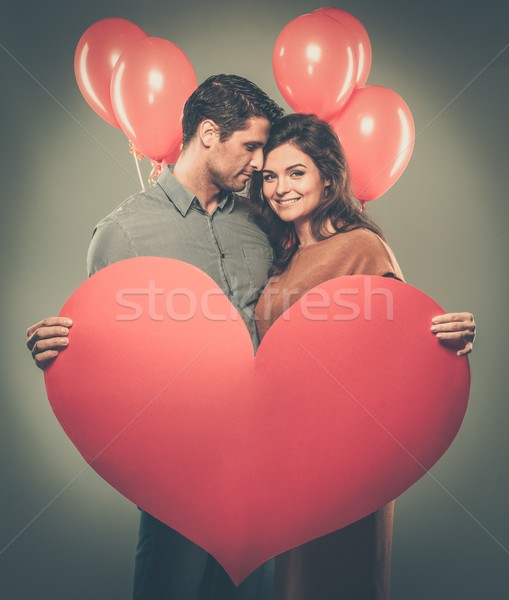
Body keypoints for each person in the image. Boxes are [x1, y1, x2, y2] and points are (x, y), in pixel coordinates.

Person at [25, 79, 475, 599]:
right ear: (210, 134)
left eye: (281, 163)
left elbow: (377, 326)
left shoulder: (262, 225)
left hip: (277, 464)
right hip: (176, 461)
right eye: (254, 149)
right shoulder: (122, 234)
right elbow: (102, 343)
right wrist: (59, 349)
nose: (264, 169)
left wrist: (440, 340)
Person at [249, 113, 476, 600]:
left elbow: (405, 344)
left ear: (327, 177)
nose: (279, 188)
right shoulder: (280, 256)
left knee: (342, 582)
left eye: (296, 172)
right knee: (296, 586)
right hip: (291, 456)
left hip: (354, 453)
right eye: (270, 176)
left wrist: (452, 340)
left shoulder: (362, 248)